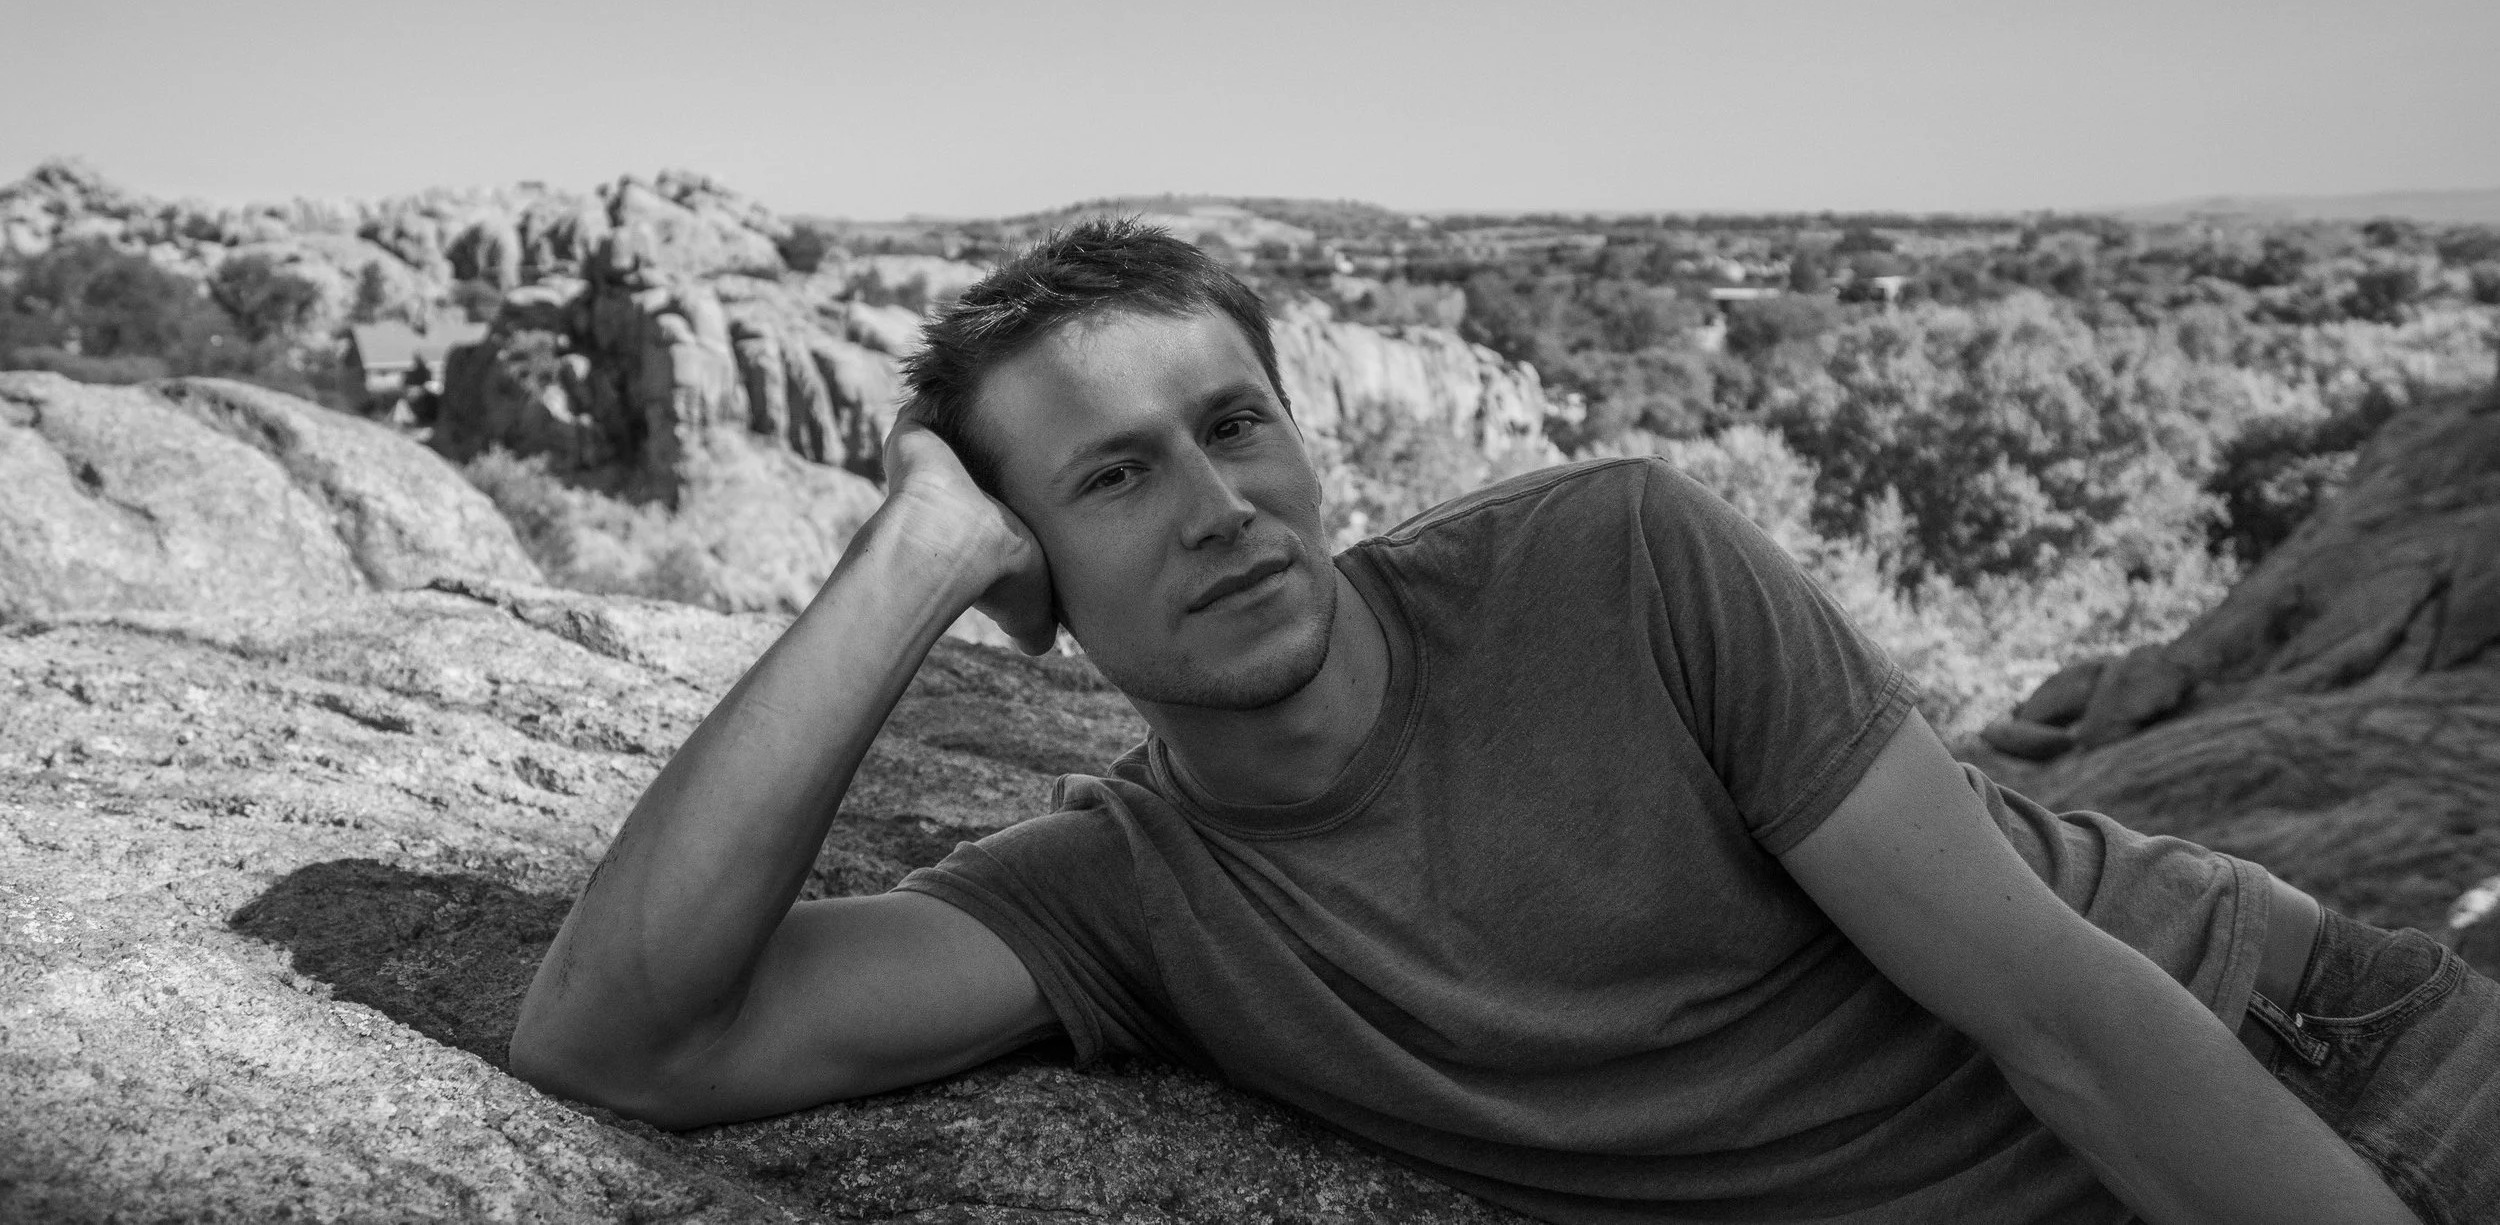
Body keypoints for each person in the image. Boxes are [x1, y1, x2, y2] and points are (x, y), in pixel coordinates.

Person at [509, 221, 2497, 1224]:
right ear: (1019, 571)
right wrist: (899, 562)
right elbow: (627, 1036)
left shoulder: (1613, 563)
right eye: (1106, 481)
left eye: (1230, 425)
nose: (1210, 505)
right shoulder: (1125, 901)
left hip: (2300, 1057)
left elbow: (2058, 1018)